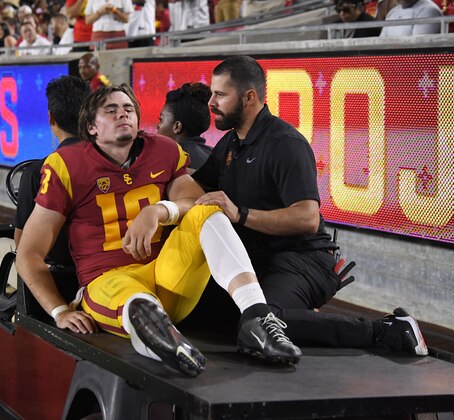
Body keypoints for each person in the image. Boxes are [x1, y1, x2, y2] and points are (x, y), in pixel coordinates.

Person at [16, 83, 303, 378]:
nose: (122, 115)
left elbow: (194, 200)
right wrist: (59, 311)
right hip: (107, 282)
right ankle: (164, 342)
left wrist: (159, 210)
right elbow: (28, 253)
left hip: (165, 274)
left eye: (128, 109)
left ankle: (256, 316)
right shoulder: (67, 165)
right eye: (110, 110)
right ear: (91, 127)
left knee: (210, 209)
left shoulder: (164, 150)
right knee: (138, 305)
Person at [192, 55, 428, 356]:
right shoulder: (230, 143)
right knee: (198, 308)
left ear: (249, 97)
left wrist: (241, 214)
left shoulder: (285, 144)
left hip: (302, 259)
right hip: (259, 259)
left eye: (221, 94)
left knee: (261, 323)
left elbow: (306, 218)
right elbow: (196, 184)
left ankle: (389, 331)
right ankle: (304, 317)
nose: (211, 102)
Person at [0, 75, 90, 304]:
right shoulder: (109, 164)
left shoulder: (38, 172)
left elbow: (23, 248)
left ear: (51, 118)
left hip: (55, 277)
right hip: (95, 271)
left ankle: (6, 318)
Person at [156, 82, 213, 172]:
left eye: (161, 120)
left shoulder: (171, 159)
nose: (157, 126)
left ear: (177, 127)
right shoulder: (214, 155)